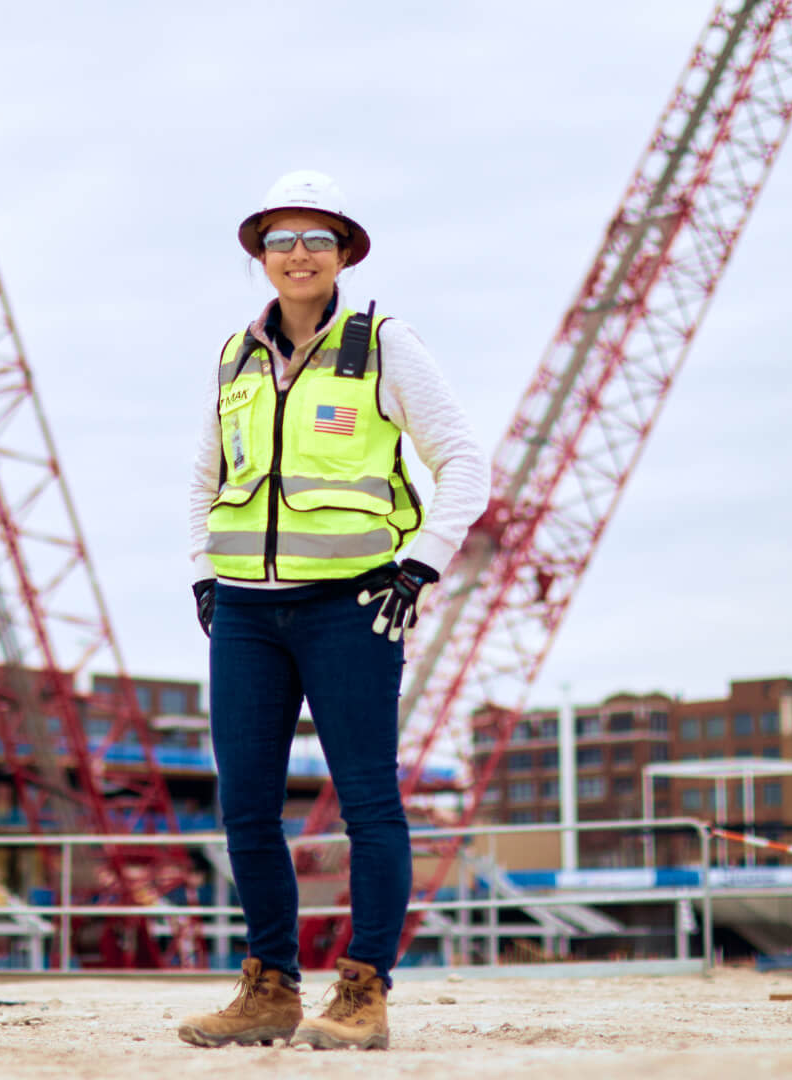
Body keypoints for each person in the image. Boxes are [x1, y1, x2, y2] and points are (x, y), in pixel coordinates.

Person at [176, 171, 490, 1051]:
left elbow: (463, 460)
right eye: (282, 239)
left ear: (345, 251)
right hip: (244, 612)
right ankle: (270, 987)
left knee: (367, 805)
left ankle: (363, 994)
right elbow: (206, 478)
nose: (299, 254)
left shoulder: (386, 345)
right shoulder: (235, 356)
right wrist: (203, 571)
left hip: (352, 606)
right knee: (245, 808)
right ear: (260, 257)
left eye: (317, 239)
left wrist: (420, 565)